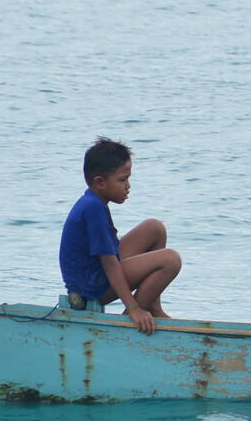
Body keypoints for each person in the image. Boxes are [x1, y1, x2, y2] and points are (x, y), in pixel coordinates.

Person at [59, 137, 181, 334]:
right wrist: (133, 307)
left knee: (155, 228)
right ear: (100, 182)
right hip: (91, 288)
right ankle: (131, 318)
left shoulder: (94, 202)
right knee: (171, 260)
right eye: (122, 180)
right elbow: (109, 263)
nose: (128, 185)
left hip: (97, 274)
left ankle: (152, 307)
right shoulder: (92, 209)